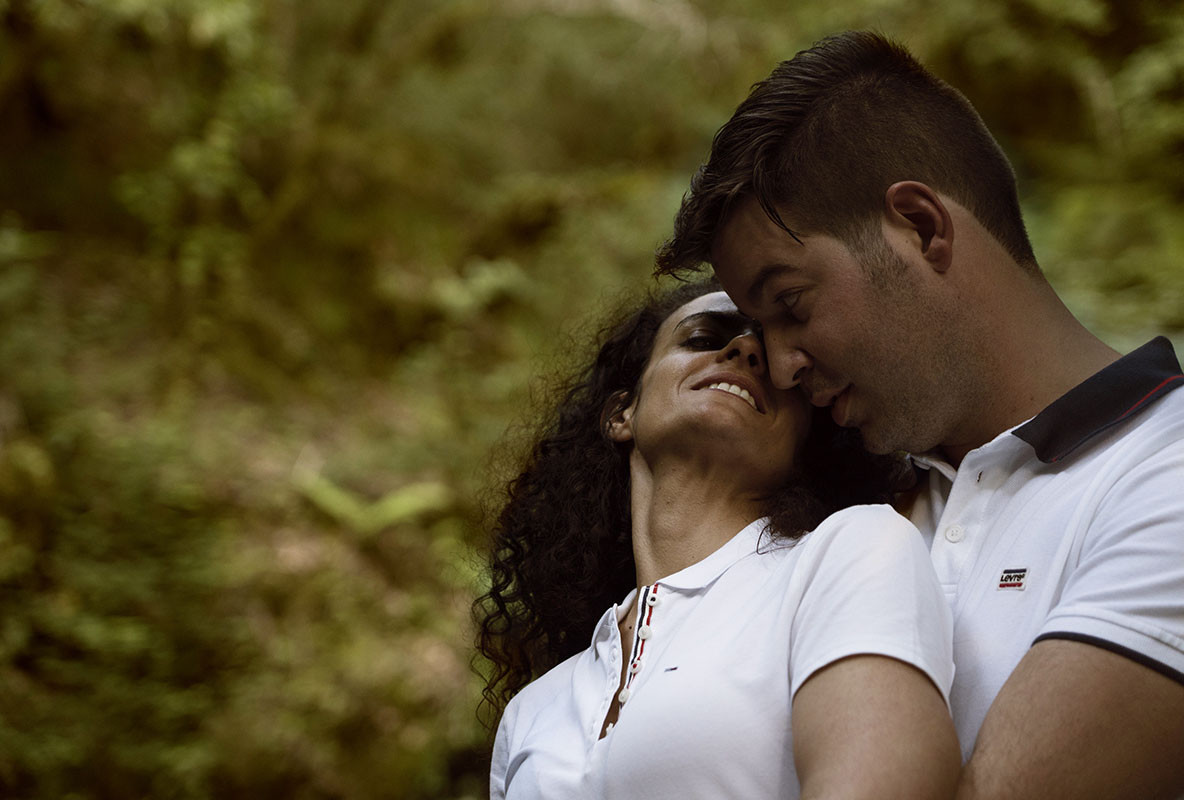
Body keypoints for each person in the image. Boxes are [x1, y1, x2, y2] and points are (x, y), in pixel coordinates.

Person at [654, 30, 1184, 800]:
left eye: (791, 305)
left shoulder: (1164, 468)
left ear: (922, 228)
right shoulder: (841, 504)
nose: (780, 364)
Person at [476, 280, 960, 799]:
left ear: (809, 438)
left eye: (770, 360)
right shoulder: (533, 709)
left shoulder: (851, 551)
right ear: (622, 415)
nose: (746, 349)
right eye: (704, 338)